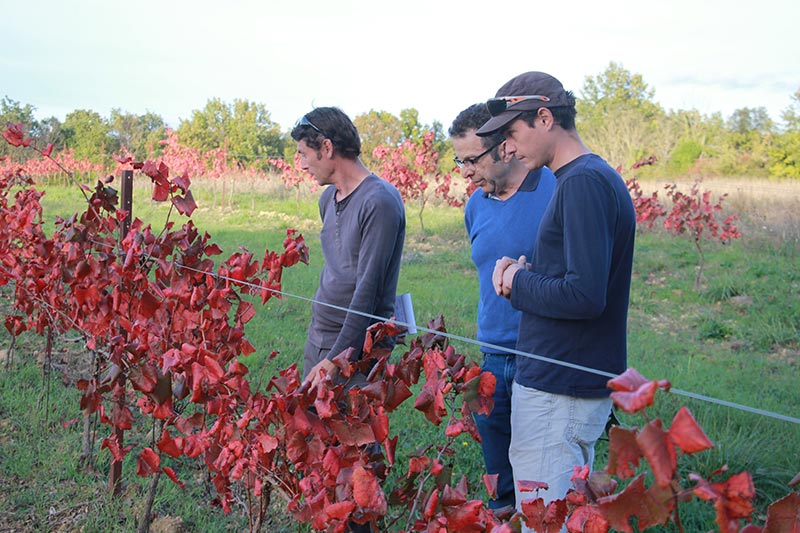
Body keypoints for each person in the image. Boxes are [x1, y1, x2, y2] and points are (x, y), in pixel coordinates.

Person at [477, 72, 636, 524]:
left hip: (558, 389)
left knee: (544, 520)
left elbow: (585, 295)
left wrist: (514, 283)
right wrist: (531, 273)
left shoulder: (584, 182)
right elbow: (578, 278)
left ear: (544, 117)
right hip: (559, 382)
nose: (506, 148)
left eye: (512, 132)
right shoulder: (582, 179)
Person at [448, 103, 555, 513]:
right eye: (459, 160)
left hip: (541, 357)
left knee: (542, 485)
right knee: (499, 486)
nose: (464, 171)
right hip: (491, 361)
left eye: (472, 160)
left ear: (505, 149)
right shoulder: (475, 205)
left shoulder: (554, 190)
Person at [290, 107, 406, 391]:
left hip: (355, 349)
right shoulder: (328, 198)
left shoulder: (379, 202)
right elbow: (338, 267)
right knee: (314, 431)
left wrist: (336, 359)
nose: (302, 165)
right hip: (320, 336)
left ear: (326, 147)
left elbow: (367, 290)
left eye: (304, 154)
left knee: (353, 433)